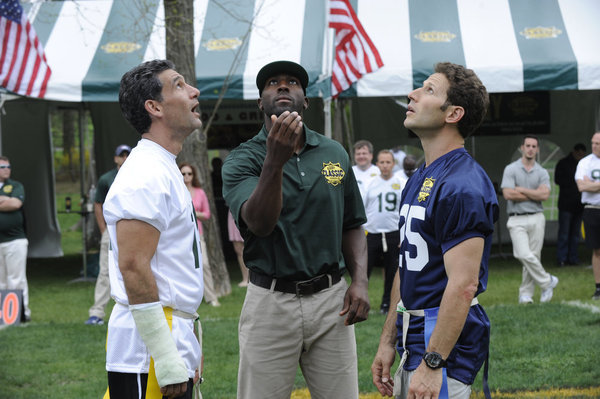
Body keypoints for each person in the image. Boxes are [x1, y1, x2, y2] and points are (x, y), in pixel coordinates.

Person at [222, 60, 370, 399]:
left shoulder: (334, 152)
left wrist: (360, 281)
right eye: (273, 83)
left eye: (293, 82)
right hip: (270, 302)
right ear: (261, 102)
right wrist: (275, 159)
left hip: (331, 300)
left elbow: (353, 223)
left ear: (305, 99)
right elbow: (259, 223)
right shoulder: (243, 159)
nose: (283, 86)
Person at [371, 62, 496, 399]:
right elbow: (406, 266)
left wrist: (433, 361)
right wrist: (388, 341)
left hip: (441, 351)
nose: (412, 94)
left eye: (428, 90)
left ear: (453, 113)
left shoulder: (462, 184)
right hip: (412, 342)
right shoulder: (420, 175)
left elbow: (464, 284)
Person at [102, 59, 204, 399]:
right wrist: (165, 354)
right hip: (147, 350)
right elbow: (133, 266)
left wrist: (185, 342)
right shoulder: (145, 173)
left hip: (169, 332)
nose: (194, 91)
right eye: (178, 85)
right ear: (154, 107)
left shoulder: (162, 165)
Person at [501, 135, 558, 304]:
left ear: (538, 149)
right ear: (522, 148)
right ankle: (547, 281)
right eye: (528, 145)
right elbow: (508, 194)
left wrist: (521, 190)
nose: (531, 149)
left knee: (533, 256)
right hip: (516, 219)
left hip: (536, 218)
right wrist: (534, 194)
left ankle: (526, 295)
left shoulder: (541, 171)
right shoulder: (511, 169)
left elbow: (545, 195)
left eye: (534, 146)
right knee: (523, 254)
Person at [85, 144, 131, 326]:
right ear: (116, 158)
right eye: (122, 155)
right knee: (105, 271)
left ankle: (133, 309)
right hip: (111, 232)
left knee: (133, 269)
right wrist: (103, 229)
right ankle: (97, 312)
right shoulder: (107, 179)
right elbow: (98, 204)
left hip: (131, 233)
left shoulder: (138, 177)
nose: (125, 158)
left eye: (128, 155)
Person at [363, 149, 405, 315]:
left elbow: (404, 210)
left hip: (393, 233)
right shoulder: (370, 183)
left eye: (388, 162)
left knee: (391, 272)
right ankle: (361, 303)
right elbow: (364, 208)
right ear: (377, 164)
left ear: (393, 164)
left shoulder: (401, 182)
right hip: (372, 234)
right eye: (382, 162)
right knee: (364, 270)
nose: (385, 165)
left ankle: (386, 304)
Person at [180, 162, 220, 307]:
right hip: (179, 236)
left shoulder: (200, 192)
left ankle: (211, 297)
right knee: (182, 267)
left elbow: (207, 214)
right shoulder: (176, 191)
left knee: (204, 264)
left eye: (189, 173)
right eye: (183, 173)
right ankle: (185, 298)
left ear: (193, 175)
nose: (186, 176)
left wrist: (193, 213)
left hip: (198, 235)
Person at [0, 156, 30, 322]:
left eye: (8, 166)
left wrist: (8, 201)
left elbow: (16, 204)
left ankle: (21, 314)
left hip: (15, 240)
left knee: (16, 279)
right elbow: (8, 203)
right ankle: (4, 315)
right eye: (2, 166)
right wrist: (5, 200)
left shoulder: (16, 185)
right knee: (1, 281)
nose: (6, 169)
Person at [575, 132, 600, 300]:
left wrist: (592, 184)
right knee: (597, 249)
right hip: (592, 209)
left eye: (598, 143)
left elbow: (587, 184)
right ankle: (598, 287)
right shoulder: (585, 163)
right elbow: (581, 186)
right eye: (593, 143)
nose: (594, 146)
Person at [555, 143, 587, 266]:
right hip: (566, 204)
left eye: (582, 154)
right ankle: (562, 258)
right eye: (578, 154)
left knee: (575, 234)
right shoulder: (563, 163)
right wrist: (575, 182)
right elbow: (558, 180)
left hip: (579, 205)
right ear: (574, 151)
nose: (580, 156)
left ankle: (573, 258)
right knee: (564, 233)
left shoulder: (584, 165)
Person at [227, 210, 248, 287]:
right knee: (238, 249)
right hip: (233, 212)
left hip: (245, 211)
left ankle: (252, 278)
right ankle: (245, 278)